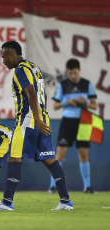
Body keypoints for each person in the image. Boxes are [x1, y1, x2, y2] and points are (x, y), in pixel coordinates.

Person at [0, 41, 73, 211]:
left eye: (3, 57)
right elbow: (43, 94)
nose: (3, 61)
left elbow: (31, 93)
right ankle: (65, 202)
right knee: (50, 160)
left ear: (12, 54)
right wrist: (42, 117)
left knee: (14, 157)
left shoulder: (20, 70)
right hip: (41, 120)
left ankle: (7, 203)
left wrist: (36, 119)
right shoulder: (34, 67)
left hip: (28, 121)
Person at [48, 58, 97, 194]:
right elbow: (55, 105)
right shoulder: (63, 85)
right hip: (67, 122)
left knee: (83, 154)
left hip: (83, 122)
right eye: (70, 73)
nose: (73, 75)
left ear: (79, 70)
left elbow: (94, 105)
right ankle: (53, 186)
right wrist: (67, 102)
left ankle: (87, 187)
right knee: (60, 155)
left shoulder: (87, 84)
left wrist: (82, 104)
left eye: (75, 72)